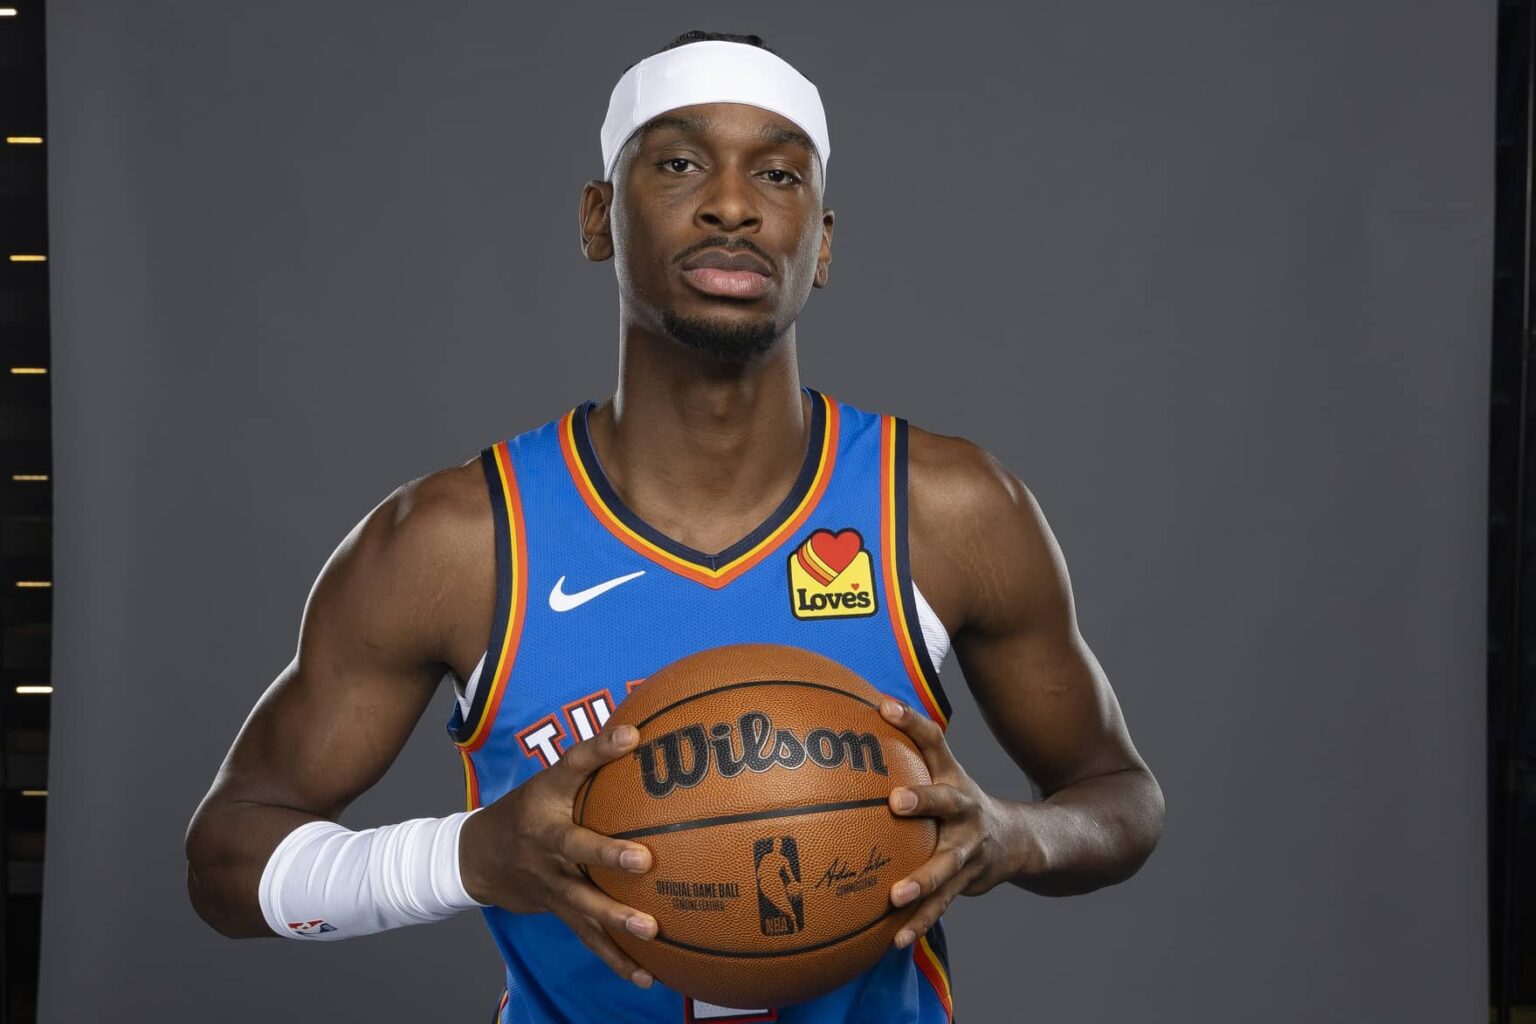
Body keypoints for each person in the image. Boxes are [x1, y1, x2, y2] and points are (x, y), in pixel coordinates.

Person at [184, 29, 1165, 1023]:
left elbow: (1119, 795)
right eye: (682, 162)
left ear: (820, 242)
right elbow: (225, 861)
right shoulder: (459, 542)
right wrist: (465, 853)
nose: (732, 204)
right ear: (598, 216)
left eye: (780, 173)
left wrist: (1012, 834)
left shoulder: (948, 511)